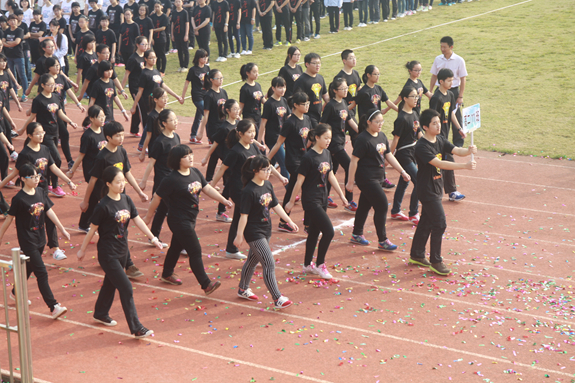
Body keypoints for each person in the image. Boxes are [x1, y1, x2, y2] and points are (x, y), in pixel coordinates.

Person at [77, 166, 161, 338]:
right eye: (118, 182)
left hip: (122, 251)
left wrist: (153, 238)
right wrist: (82, 250)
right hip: (108, 254)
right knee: (126, 288)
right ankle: (136, 327)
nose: (122, 184)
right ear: (108, 184)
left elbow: (138, 221)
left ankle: (100, 313)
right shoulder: (103, 206)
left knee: (110, 283)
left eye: (123, 181)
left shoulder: (126, 199)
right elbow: (92, 230)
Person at [143, 144, 228, 292]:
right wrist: (148, 218)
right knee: (195, 251)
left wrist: (223, 200)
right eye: (185, 156)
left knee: (176, 246)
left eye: (191, 154)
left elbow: (206, 188)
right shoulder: (171, 179)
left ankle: (167, 273)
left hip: (191, 218)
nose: (190, 157)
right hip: (178, 220)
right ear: (177, 160)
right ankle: (206, 284)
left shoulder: (195, 172)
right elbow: (156, 198)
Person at [409, 109, 476, 275]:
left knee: (426, 221)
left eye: (439, 122)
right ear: (425, 126)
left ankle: (417, 254)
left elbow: (455, 150)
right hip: (427, 190)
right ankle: (435, 261)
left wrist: (468, 151)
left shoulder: (439, 139)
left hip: (436, 187)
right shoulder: (421, 147)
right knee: (439, 223)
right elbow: (440, 163)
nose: (439, 125)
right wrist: (464, 166)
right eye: (434, 123)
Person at [79, 121, 147, 278]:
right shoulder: (102, 156)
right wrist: (86, 200)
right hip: (106, 199)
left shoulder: (122, 151)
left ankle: (119, 261)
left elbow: (127, 173)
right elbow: (93, 180)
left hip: (119, 196)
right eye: (117, 135)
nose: (121, 138)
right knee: (112, 230)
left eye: (122, 134)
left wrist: (139, 192)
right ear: (108, 137)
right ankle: (126, 263)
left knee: (119, 229)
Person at [0, 163, 69, 319]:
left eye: (38, 176)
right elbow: (9, 219)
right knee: (41, 273)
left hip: (40, 239)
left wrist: (62, 229)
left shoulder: (40, 192)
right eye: (33, 177)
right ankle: (53, 306)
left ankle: (15, 292)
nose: (37, 179)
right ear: (23, 179)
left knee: (30, 267)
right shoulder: (19, 199)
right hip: (28, 241)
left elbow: (49, 211)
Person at [1, 122, 77, 260]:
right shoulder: (25, 154)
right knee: (30, 221)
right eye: (37, 133)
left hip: (42, 190)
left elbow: (53, 168)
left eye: (42, 132)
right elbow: (15, 174)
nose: (41, 135)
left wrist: (68, 181)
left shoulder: (45, 149)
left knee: (48, 217)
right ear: (29, 135)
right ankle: (29, 247)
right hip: (29, 192)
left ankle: (55, 248)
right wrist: (1, 184)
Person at [211, 119, 283, 260]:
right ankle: (245, 246)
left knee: (240, 216)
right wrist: (211, 186)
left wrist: (280, 176)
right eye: (249, 132)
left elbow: (265, 163)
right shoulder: (235, 151)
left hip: (251, 188)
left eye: (254, 132)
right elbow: (222, 168)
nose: (252, 135)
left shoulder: (253, 147)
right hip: (239, 190)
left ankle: (233, 248)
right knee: (245, 215)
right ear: (240, 133)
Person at [285, 123, 346, 278]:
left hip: (323, 197)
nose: (328, 141)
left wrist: (342, 196)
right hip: (311, 200)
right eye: (325, 138)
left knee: (314, 232)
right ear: (317, 137)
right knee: (329, 231)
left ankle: (307, 265)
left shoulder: (326, 153)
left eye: (330, 138)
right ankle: (320, 264)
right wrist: (291, 202)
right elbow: (299, 181)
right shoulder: (308, 158)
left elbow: (331, 176)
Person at [235, 155, 297, 308]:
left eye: (270, 168)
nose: (269, 171)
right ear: (255, 171)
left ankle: (243, 288)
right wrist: (239, 235)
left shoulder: (268, 185)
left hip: (266, 229)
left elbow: (275, 206)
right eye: (265, 169)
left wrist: (288, 221)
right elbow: (243, 216)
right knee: (268, 263)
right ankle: (277, 298)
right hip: (253, 232)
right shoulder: (248, 191)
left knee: (252, 260)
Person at [346, 108, 410, 250]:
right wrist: (350, 182)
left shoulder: (381, 136)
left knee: (364, 205)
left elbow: (389, 155)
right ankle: (383, 240)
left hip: (378, 177)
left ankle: (356, 234)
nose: (381, 124)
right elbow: (354, 161)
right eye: (377, 121)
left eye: (382, 121)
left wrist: (402, 171)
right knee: (381, 204)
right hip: (366, 178)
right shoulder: (362, 139)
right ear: (368, 122)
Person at [17, 75, 79, 198]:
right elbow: (32, 116)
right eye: (49, 85)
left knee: (49, 160)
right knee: (57, 159)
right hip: (43, 134)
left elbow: (59, 113)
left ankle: (48, 183)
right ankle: (55, 186)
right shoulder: (38, 100)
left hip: (55, 132)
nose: (52, 87)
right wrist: (23, 128)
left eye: (54, 84)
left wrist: (71, 122)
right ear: (42, 85)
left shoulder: (56, 97)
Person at [268, 91, 310, 232]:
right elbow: (279, 142)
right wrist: (267, 158)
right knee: (306, 187)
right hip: (293, 161)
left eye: (308, 103)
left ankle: (283, 221)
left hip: (304, 159)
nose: (307, 106)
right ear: (296, 105)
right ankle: (308, 223)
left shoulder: (307, 119)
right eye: (304, 104)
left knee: (292, 188)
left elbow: (307, 140)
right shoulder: (290, 122)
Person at [139, 108, 180, 247]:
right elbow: (151, 163)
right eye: (172, 120)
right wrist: (144, 181)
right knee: (175, 211)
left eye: (176, 119)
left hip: (174, 179)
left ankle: (154, 236)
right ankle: (181, 242)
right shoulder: (159, 142)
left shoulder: (176, 137)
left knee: (162, 209)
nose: (176, 122)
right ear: (163, 123)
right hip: (163, 181)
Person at [429, 67, 467, 202]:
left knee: (444, 162)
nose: (451, 83)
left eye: (452, 80)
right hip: (437, 137)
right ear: (441, 81)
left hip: (445, 135)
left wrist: (459, 128)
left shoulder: (450, 95)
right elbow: (431, 118)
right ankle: (451, 191)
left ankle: (449, 191)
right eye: (449, 81)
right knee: (444, 162)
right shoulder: (436, 98)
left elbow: (451, 113)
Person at [130, 49, 182, 146]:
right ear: (145, 59)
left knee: (156, 122)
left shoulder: (156, 72)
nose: (154, 60)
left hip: (159, 102)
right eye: (151, 58)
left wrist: (176, 96)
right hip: (148, 102)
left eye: (155, 58)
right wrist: (134, 106)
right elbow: (140, 91)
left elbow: (163, 85)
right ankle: (143, 144)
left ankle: (144, 144)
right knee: (150, 124)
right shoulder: (144, 73)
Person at [320, 78, 357, 211]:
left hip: (341, 140)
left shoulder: (344, 103)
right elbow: (322, 124)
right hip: (333, 143)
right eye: (343, 88)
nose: (346, 90)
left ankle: (326, 196)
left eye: (346, 87)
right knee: (349, 166)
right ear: (335, 90)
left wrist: (361, 131)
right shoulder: (330, 106)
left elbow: (349, 120)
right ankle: (349, 199)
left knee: (332, 170)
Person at [200, 98, 239, 223]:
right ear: (227, 111)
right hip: (228, 162)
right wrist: (206, 157)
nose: (238, 111)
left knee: (231, 186)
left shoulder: (238, 124)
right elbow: (215, 144)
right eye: (235, 109)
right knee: (229, 187)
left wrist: (257, 144)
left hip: (238, 161)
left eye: (238, 108)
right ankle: (221, 212)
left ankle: (229, 209)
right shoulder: (224, 128)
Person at [44, 58, 85, 170]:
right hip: (50, 114)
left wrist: (78, 103)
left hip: (61, 111)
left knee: (64, 135)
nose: (58, 67)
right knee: (56, 137)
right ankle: (54, 161)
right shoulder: (46, 79)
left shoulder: (61, 77)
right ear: (49, 67)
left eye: (59, 65)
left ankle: (69, 160)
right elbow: (41, 95)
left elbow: (69, 91)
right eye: (55, 65)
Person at [389, 87, 421, 224]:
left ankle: (396, 210)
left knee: (405, 180)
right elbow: (396, 139)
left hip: (413, 153)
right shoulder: (401, 118)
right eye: (413, 96)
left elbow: (418, 132)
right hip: (404, 155)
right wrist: (388, 156)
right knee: (419, 182)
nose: (416, 99)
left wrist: (429, 144)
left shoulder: (414, 114)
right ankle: (414, 213)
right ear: (405, 98)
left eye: (417, 96)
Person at [430, 36, 468, 147]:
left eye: (444, 47)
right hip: (440, 90)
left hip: (454, 91)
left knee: (455, 115)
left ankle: (458, 143)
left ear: (451, 47)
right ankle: (439, 141)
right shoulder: (438, 59)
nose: (442, 49)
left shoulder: (459, 60)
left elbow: (463, 78)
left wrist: (460, 96)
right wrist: (431, 91)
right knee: (440, 116)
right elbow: (434, 75)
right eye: (441, 46)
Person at [67, 105, 107, 206]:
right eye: (100, 117)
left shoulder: (104, 131)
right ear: (91, 119)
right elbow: (81, 155)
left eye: (104, 116)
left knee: (94, 198)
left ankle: (86, 218)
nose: (103, 119)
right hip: (92, 170)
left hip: (103, 169)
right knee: (101, 196)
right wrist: (72, 171)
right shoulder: (88, 136)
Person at [197, 68, 227, 180]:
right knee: (224, 155)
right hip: (214, 129)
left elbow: (227, 110)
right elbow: (206, 115)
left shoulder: (223, 92)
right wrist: (200, 132)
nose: (220, 80)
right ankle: (226, 179)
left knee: (215, 154)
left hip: (224, 127)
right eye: (218, 78)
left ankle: (209, 179)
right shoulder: (209, 95)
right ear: (211, 80)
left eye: (221, 78)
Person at [259, 76, 289, 178]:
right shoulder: (269, 104)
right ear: (273, 88)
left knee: (271, 160)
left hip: (282, 136)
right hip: (273, 139)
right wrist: (259, 140)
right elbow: (263, 122)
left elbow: (288, 118)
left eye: (284, 87)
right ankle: (289, 191)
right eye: (279, 87)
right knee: (284, 163)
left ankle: (260, 169)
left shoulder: (284, 100)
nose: (282, 90)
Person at [293, 52, 328, 128]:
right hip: (307, 116)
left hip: (319, 115)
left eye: (319, 63)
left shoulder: (320, 78)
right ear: (307, 64)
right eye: (315, 63)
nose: (318, 65)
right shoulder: (301, 80)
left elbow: (326, 97)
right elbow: (297, 101)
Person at [182, 48, 209, 144]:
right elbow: (186, 83)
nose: (205, 59)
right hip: (197, 96)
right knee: (207, 115)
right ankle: (210, 138)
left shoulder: (207, 68)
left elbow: (209, 82)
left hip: (206, 95)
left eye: (206, 56)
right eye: (203, 57)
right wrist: (182, 97)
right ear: (198, 58)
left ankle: (193, 135)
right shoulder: (193, 70)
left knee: (199, 116)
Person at [121, 35, 146, 136]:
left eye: (146, 44)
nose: (145, 46)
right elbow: (127, 73)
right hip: (135, 87)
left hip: (143, 85)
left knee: (139, 107)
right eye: (143, 44)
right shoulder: (133, 59)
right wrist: (121, 88)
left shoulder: (145, 56)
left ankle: (134, 129)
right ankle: (146, 131)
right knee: (142, 108)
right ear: (137, 45)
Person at [333, 49, 361, 144]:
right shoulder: (339, 77)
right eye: (351, 58)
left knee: (356, 137)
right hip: (343, 112)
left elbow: (359, 89)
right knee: (339, 138)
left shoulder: (356, 73)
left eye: (355, 57)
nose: (354, 60)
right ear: (344, 61)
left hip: (352, 111)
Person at [138, 87, 167, 162]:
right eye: (163, 98)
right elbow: (148, 135)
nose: (165, 100)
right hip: (156, 149)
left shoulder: (166, 114)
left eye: (166, 97)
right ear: (155, 100)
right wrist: (143, 152)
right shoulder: (152, 116)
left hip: (165, 146)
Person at [3, 14, 28, 102]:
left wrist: (7, 43)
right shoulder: (6, 31)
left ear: (17, 21)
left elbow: (17, 42)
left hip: (18, 56)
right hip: (9, 56)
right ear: (8, 22)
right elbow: (3, 42)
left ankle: (25, 93)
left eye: (15, 20)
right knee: (12, 75)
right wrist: (9, 43)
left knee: (22, 75)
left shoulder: (19, 30)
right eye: (11, 20)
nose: (13, 22)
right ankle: (15, 92)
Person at [239, 62, 264, 131]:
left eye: (257, 71)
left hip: (258, 117)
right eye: (254, 72)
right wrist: (237, 118)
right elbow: (241, 106)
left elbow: (262, 99)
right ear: (247, 73)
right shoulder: (245, 89)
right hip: (249, 119)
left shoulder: (258, 85)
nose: (257, 74)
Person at [171, 0, 189, 71]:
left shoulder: (185, 12)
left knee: (185, 50)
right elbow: (172, 24)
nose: (177, 3)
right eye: (176, 2)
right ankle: (181, 65)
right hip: (176, 33)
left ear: (182, 3)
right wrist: (172, 34)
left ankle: (185, 66)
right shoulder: (174, 12)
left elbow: (187, 23)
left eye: (179, 1)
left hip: (183, 33)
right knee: (179, 50)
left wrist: (186, 34)